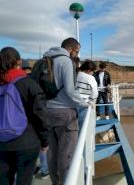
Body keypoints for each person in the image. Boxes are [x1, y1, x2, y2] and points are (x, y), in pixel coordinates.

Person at [41, 37, 90, 184]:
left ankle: (55, 181)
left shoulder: (46, 59)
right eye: (77, 51)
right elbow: (69, 90)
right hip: (65, 113)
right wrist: (84, 103)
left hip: (48, 111)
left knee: (52, 152)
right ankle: (67, 181)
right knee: (67, 152)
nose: (76, 55)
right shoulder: (65, 61)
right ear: (70, 49)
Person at [0, 47, 48, 185]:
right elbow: (40, 115)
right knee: (24, 180)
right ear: (19, 62)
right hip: (27, 142)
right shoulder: (28, 84)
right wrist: (45, 141)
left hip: (2, 144)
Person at [21, 60, 49, 180]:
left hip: (19, 125)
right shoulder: (33, 82)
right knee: (43, 147)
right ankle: (44, 170)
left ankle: (30, 170)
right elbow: (39, 109)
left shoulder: (12, 82)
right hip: (34, 122)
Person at [76, 60, 98, 130]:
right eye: (93, 71)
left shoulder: (75, 75)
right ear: (89, 70)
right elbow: (94, 93)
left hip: (72, 103)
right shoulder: (91, 78)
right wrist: (91, 100)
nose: (93, 73)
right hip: (84, 104)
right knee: (83, 127)